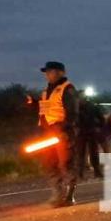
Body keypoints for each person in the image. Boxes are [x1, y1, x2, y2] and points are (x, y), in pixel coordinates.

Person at [31, 61, 79, 207]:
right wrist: (34, 103)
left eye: (50, 71)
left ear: (60, 73)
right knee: (49, 163)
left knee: (66, 163)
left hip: (62, 131)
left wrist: (65, 130)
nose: (47, 74)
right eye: (46, 72)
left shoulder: (67, 89)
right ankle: (58, 195)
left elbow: (72, 112)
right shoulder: (46, 91)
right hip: (48, 132)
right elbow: (46, 109)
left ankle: (69, 196)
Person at [76, 92, 106, 179]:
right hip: (81, 133)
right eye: (79, 97)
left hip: (91, 132)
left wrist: (98, 127)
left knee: (93, 153)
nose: (80, 99)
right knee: (80, 154)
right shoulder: (76, 108)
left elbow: (102, 119)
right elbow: (71, 119)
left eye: (81, 97)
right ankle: (80, 173)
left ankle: (97, 172)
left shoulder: (92, 107)